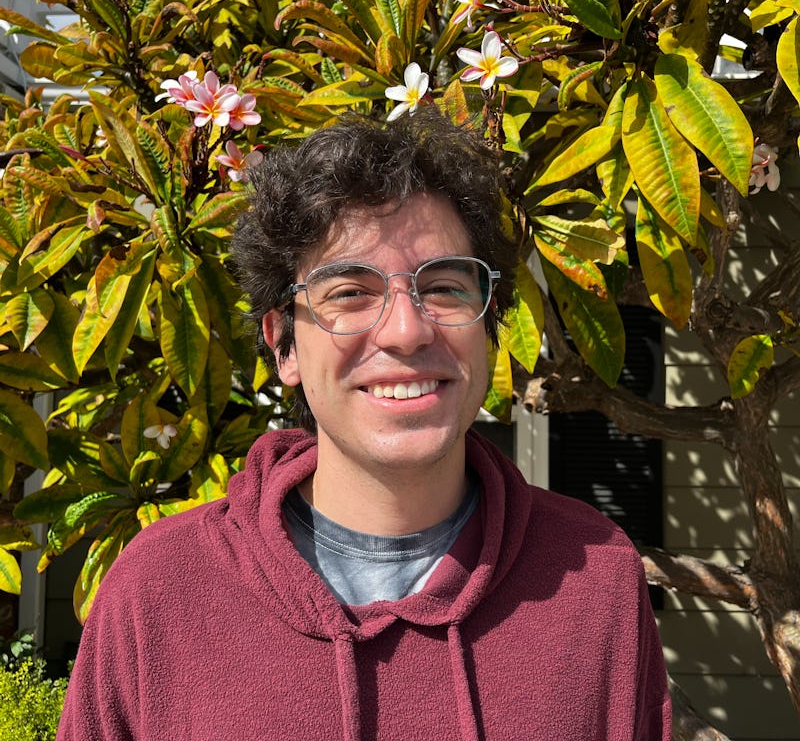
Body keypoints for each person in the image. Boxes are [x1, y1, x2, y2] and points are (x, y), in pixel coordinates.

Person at [57, 109, 671, 740]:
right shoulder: (161, 591)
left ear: (490, 327)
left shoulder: (595, 580)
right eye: (349, 292)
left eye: (445, 288)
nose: (407, 331)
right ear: (284, 346)